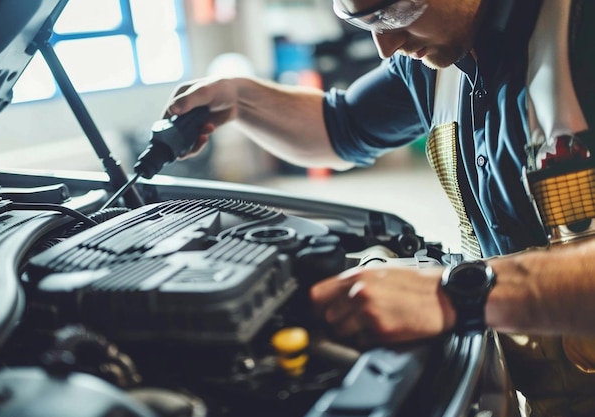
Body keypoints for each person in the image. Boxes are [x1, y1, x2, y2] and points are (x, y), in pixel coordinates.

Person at [163, 0, 595, 416]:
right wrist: (241, 100)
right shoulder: (434, 61)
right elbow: (343, 126)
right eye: (362, 20)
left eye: (393, 11)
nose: (384, 46)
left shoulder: (577, 28)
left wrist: (457, 295)